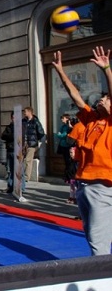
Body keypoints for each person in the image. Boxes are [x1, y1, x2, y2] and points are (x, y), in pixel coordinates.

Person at [52, 46, 112, 255]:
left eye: (106, 98)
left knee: (98, 243)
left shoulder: (111, 122)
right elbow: (75, 95)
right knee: (91, 236)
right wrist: (60, 71)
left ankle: (103, 280)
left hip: (103, 187)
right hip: (83, 185)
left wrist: (107, 69)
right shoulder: (91, 118)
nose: (101, 99)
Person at [21, 106, 45, 191]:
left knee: (28, 160)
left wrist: (37, 141)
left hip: (32, 144)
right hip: (24, 143)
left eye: (25, 112)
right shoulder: (23, 121)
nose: (24, 113)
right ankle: (21, 174)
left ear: (30, 112)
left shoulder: (35, 121)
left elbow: (41, 132)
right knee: (21, 159)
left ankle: (26, 177)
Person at [0, 112, 16, 194]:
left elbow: (16, 137)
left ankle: (20, 188)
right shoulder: (9, 127)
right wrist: (10, 136)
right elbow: (3, 136)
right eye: (13, 117)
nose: (14, 119)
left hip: (16, 150)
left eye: (15, 117)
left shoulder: (20, 126)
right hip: (9, 149)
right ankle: (10, 187)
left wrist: (10, 136)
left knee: (18, 170)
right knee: (9, 169)